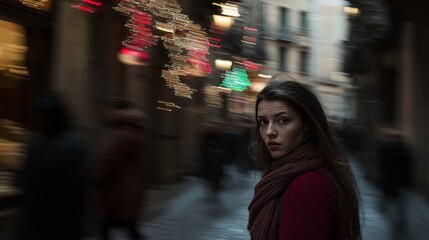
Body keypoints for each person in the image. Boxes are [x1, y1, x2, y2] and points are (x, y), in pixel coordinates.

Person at [247, 79, 361, 240]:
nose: (269, 132)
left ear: (306, 123)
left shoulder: (309, 185)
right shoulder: (279, 174)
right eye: (263, 122)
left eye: (283, 120)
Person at [19, 91, 87, 240]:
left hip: (50, 223)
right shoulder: (73, 144)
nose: (44, 120)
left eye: (46, 116)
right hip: (54, 223)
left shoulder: (38, 146)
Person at [95, 99, 147, 240]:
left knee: (106, 227)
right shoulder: (136, 131)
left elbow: (110, 159)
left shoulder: (121, 134)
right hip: (132, 190)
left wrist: (99, 177)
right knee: (130, 227)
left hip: (118, 192)